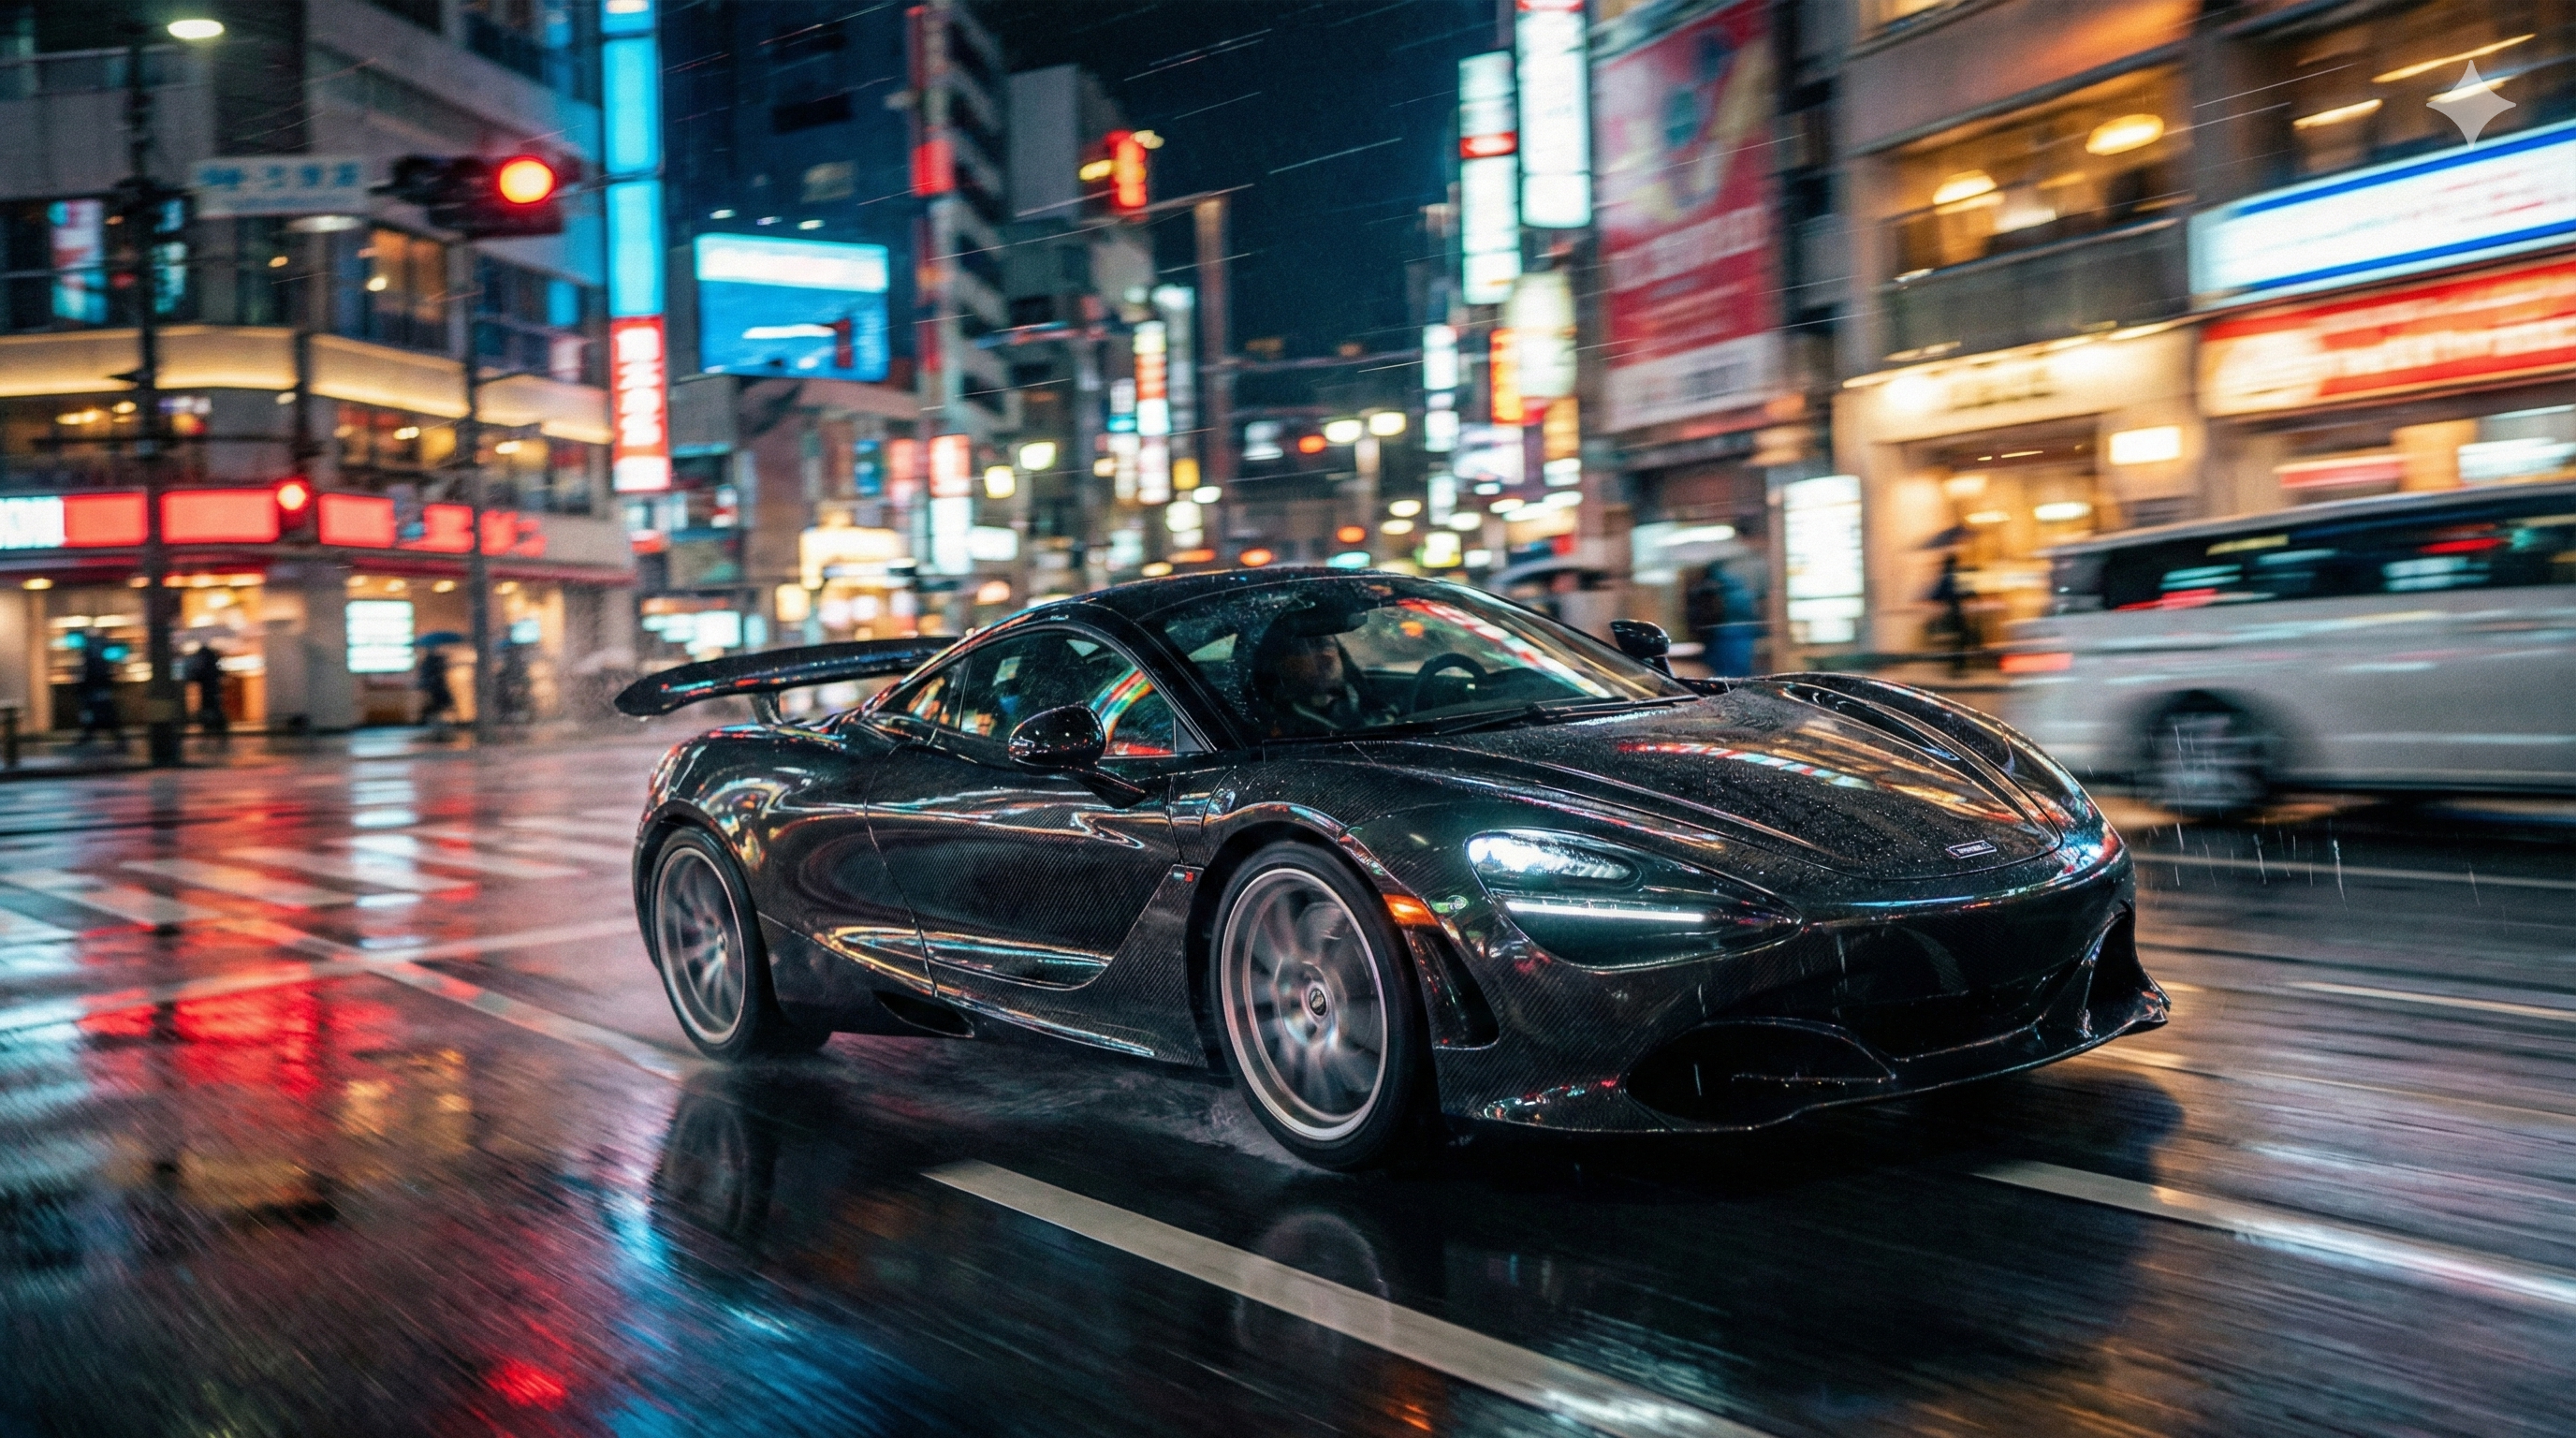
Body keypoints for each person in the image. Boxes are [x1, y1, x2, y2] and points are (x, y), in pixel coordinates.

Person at [1251, 624, 1377, 736]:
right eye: (1303, 649)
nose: (1326, 656)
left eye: (1327, 645)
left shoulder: (1367, 700)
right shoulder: (1272, 725)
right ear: (1278, 663)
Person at [76, 634, 122, 748]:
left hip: (94, 694)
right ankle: (119, 740)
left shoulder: (90, 658)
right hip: (100, 693)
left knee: (96, 718)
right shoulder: (101, 659)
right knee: (107, 718)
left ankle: (88, 736)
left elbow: (87, 676)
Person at [183, 643, 228, 743]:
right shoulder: (214, 660)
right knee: (215, 709)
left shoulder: (203, 662)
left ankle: (209, 729)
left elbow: (196, 676)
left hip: (207, 691)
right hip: (214, 690)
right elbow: (221, 673)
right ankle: (218, 730)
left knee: (208, 710)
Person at [417, 644, 455, 738]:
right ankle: (441, 731)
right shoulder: (438, 661)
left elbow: (425, 678)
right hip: (438, 691)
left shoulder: (428, 662)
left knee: (436, 710)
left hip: (434, 691)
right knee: (439, 710)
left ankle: (438, 731)